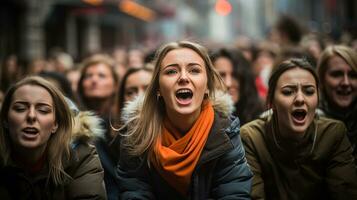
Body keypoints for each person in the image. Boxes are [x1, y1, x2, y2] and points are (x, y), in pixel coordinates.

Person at [116, 41, 253, 199]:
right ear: (158, 88)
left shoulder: (227, 132)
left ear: (207, 86)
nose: (183, 77)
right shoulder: (136, 134)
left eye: (194, 70)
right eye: (171, 71)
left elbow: (234, 194)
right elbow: (134, 192)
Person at [240, 58, 357, 200]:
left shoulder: (333, 134)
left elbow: (346, 194)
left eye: (309, 91)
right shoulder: (252, 138)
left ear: (317, 99)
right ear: (271, 101)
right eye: (288, 92)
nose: (300, 99)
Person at [0, 76, 106, 199]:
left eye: (43, 110)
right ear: (5, 120)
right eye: (20, 108)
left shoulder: (80, 156)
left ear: (55, 124)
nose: (31, 116)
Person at [77, 54, 120, 200]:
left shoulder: (123, 122)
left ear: (115, 85)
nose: (94, 80)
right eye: (88, 76)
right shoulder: (72, 121)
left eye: (101, 75)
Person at [317, 45, 357, 162]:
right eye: (337, 74)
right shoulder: (306, 123)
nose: (345, 82)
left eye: (353, 75)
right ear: (321, 80)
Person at [210, 48, 264, 125]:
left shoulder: (261, 117)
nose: (228, 83)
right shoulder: (203, 119)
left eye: (235, 75)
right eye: (222, 75)